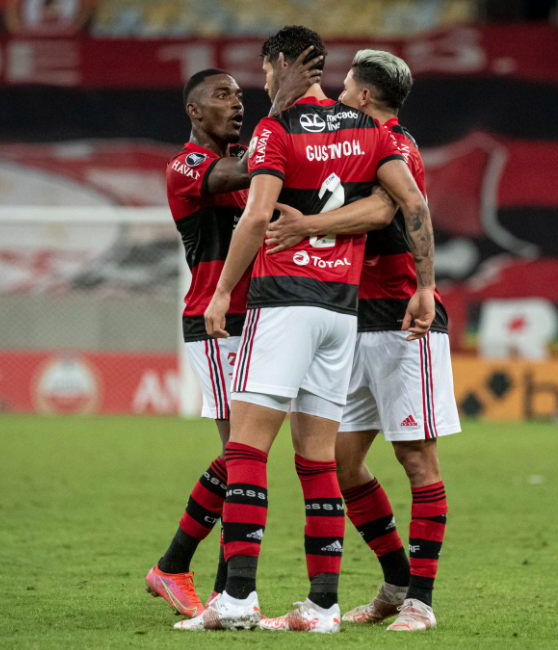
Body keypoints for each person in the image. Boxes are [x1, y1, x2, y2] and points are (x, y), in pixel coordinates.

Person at [176, 25, 436, 634]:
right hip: (340, 313)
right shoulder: (371, 131)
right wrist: (426, 284)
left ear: (282, 65)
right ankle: (322, 608)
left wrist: (218, 294)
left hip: (284, 303)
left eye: (265, 71)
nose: (259, 85)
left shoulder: (275, 130)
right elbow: (412, 206)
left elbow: (258, 216)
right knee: (317, 463)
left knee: (244, 449)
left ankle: (237, 597)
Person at [264, 49, 459, 632]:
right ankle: (396, 581)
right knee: (342, 463)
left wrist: (425, 287)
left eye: (344, 87)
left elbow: (388, 209)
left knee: (416, 458)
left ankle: (421, 602)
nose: (336, 97)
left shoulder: (393, 143)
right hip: (352, 318)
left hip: (404, 320)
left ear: (365, 97)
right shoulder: (346, 146)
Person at [145, 57, 325, 618]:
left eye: (241, 95)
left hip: (263, 320)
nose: (238, 102)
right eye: (224, 95)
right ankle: (180, 571)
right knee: (241, 454)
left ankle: (203, 582)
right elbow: (245, 170)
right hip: (215, 321)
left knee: (245, 455)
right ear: (195, 111)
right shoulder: (186, 166)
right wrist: (280, 110)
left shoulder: (245, 167)